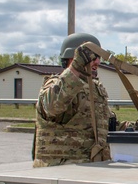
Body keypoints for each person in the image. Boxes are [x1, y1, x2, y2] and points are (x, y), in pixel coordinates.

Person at [33, 32, 111, 167]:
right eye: (92, 57)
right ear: (73, 58)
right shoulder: (57, 85)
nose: (97, 62)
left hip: (92, 171)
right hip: (61, 174)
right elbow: (51, 107)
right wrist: (76, 68)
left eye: (98, 57)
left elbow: (106, 126)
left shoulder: (94, 90)